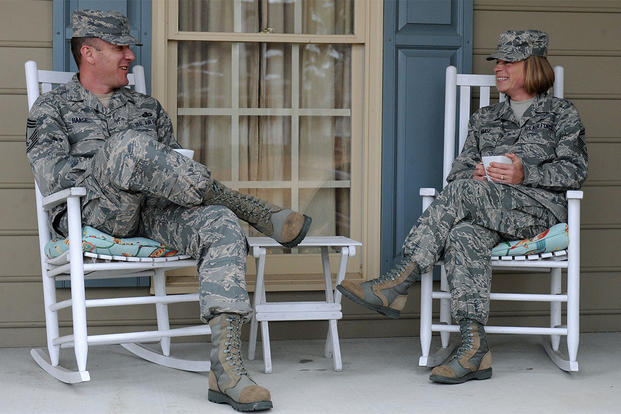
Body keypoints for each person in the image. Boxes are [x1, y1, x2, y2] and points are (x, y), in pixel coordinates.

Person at [26, 9, 312, 412]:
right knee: (129, 146)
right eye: (120, 47)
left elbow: (176, 168)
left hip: (154, 213)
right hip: (93, 212)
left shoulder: (147, 108)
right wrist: (118, 163)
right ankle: (254, 208)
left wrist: (146, 168)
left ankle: (226, 369)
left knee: (221, 224)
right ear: (89, 53)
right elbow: (53, 179)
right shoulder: (50, 108)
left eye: (129, 48)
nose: (129, 55)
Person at [337, 30, 588, 384]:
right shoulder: (483, 118)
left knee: (462, 196)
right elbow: (457, 173)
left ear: (531, 66)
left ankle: (397, 282)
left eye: (507, 61)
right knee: (462, 235)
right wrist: (476, 173)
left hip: (536, 212)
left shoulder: (561, 114)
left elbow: (575, 171)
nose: (498, 68)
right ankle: (474, 348)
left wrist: (523, 172)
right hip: (483, 208)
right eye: (497, 62)